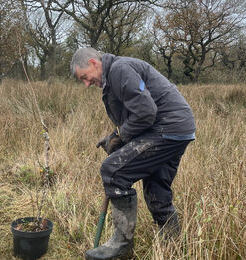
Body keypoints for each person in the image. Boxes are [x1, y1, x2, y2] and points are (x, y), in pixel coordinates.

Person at [70, 47, 196, 260]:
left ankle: (121, 246)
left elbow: (146, 113)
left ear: (93, 63)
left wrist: (120, 135)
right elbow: (135, 114)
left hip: (167, 128)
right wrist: (114, 136)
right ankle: (172, 245)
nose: (86, 83)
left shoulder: (119, 70)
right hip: (179, 129)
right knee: (156, 185)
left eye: (85, 77)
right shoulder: (115, 74)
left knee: (112, 172)